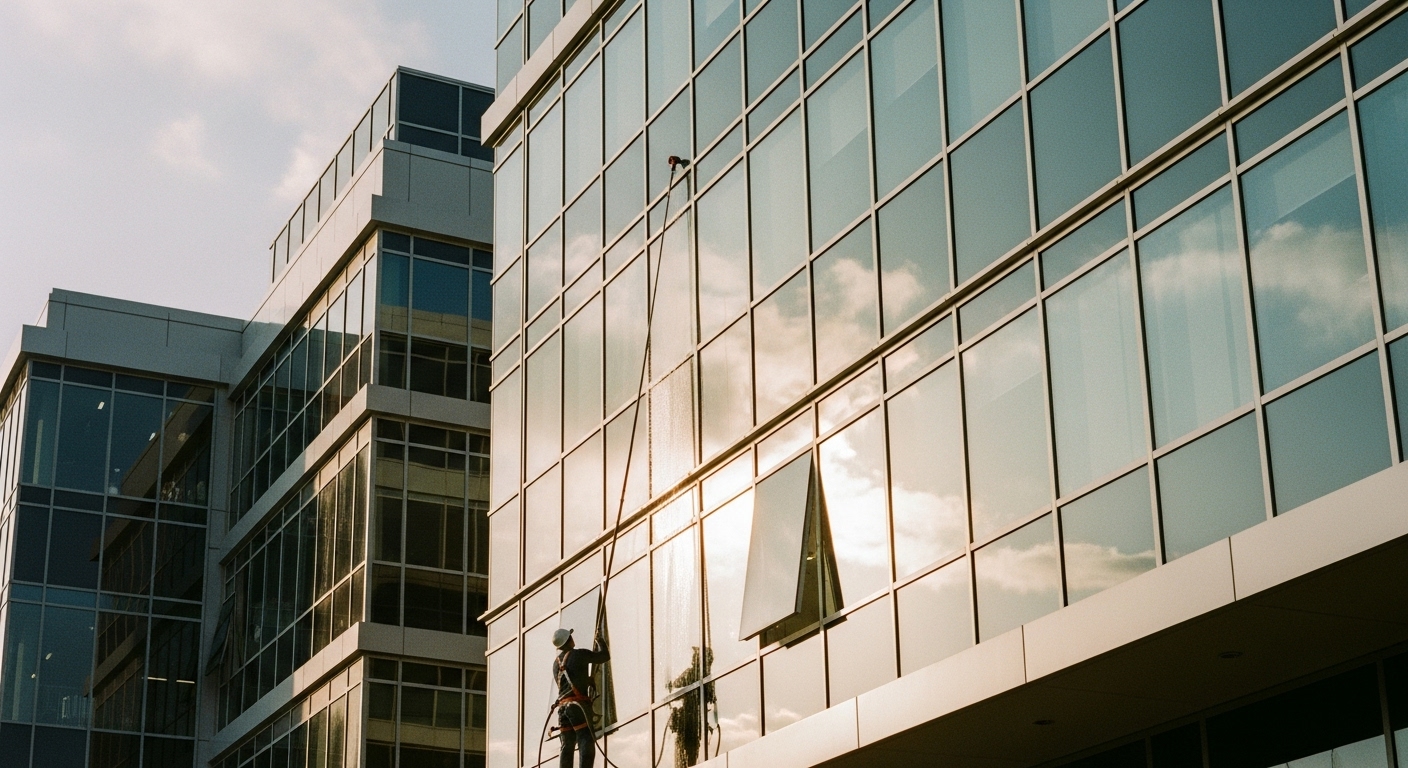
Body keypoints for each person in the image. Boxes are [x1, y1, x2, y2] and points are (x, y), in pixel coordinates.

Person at [552, 628, 609, 768]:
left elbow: (567, 684)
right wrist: (600, 640)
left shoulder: (556, 664)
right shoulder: (579, 654)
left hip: (563, 709)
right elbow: (604, 656)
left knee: (567, 745)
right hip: (577, 707)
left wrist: (585, 680)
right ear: (568, 640)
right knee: (586, 740)